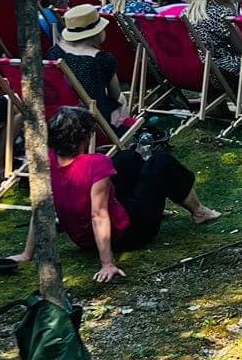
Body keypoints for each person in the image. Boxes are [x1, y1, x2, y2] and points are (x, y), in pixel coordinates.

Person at [13, 107, 219, 283]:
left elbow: (40, 208)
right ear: (83, 138)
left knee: (128, 157)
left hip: (82, 239)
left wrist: (27, 253)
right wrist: (107, 264)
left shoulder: (47, 159)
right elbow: (98, 214)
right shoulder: (96, 163)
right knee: (160, 162)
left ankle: (157, 205)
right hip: (130, 234)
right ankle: (199, 212)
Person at [56, 4, 128, 128]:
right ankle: (120, 138)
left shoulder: (54, 52)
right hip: (92, 120)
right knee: (122, 99)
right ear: (98, 32)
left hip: (59, 115)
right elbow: (114, 95)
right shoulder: (102, 59)